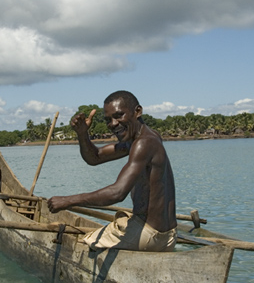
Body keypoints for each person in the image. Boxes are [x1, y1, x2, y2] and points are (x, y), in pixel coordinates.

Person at [47, 90, 178, 252]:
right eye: (108, 120)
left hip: (149, 235)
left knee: (81, 247)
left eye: (119, 116)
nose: (113, 124)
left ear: (137, 111)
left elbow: (117, 193)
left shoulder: (143, 144)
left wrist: (67, 201)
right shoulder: (145, 138)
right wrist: (82, 135)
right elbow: (95, 158)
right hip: (168, 235)